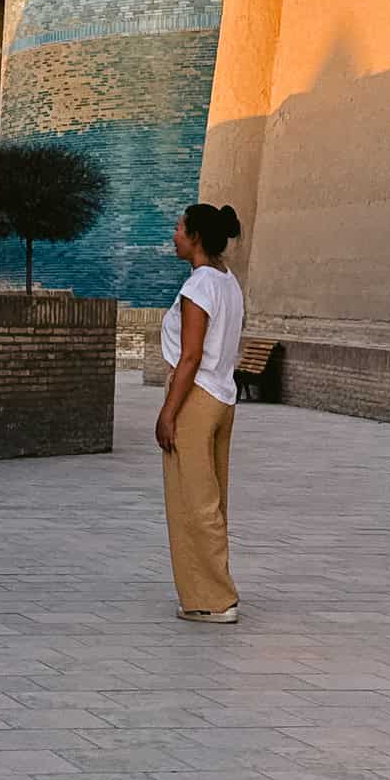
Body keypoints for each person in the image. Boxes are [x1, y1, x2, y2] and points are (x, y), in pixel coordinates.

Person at [155, 202, 245, 623]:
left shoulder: (199, 287)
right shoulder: (229, 282)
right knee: (212, 500)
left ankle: (213, 599)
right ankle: (209, 592)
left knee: (193, 501)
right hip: (223, 397)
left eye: (178, 227)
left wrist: (168, 412)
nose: (173, 234)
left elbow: (190, 357)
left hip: (197, 397)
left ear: (194, 238)